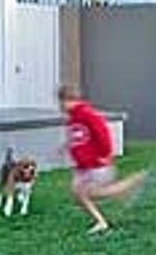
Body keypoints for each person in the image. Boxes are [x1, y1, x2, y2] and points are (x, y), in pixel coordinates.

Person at [58, 84, 147, 234]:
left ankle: (127, 187)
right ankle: (106, 213)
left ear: (68, 100)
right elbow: (78, 137)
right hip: (83, 166)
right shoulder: (73, 118)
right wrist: (66, 146)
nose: (60, 106)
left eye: (61, 102)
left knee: (87, 193)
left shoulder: (87, 114)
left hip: (96, 164)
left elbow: (103, 133)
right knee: (77, 193)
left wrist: (105, 154)